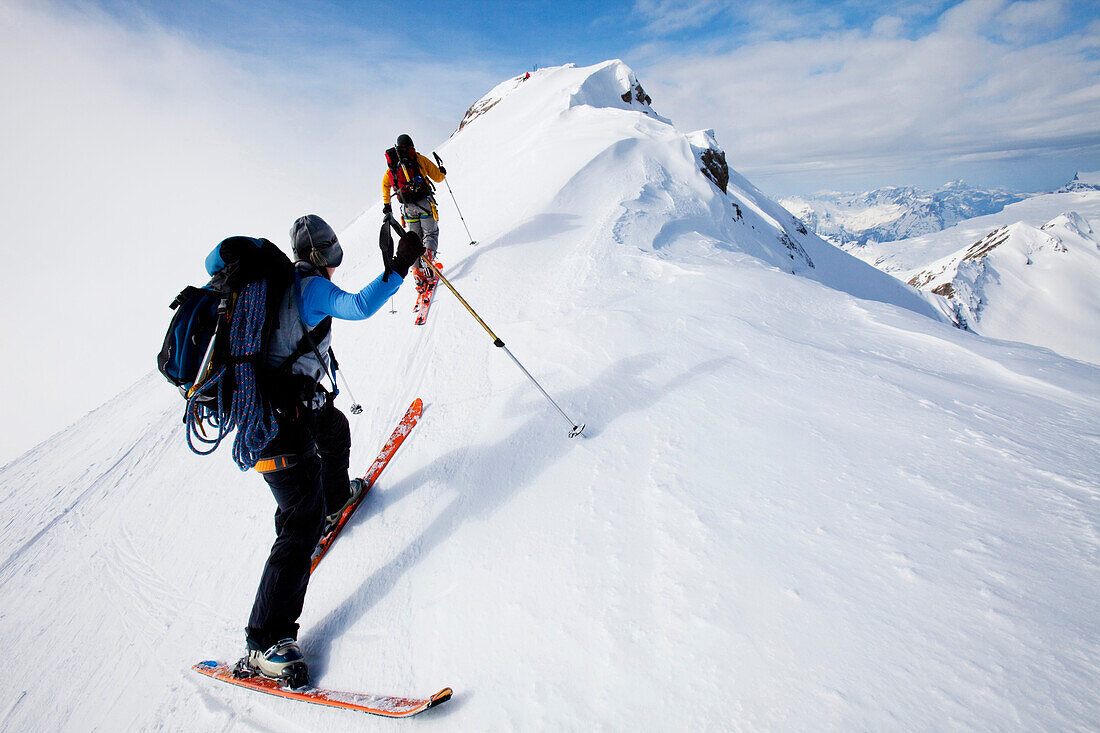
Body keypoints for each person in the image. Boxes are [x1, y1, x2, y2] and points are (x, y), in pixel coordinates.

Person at [206, 214, 425, 687]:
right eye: (332, 251)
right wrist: (400, 266)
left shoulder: (275, 289)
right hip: (277, 425)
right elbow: (361, 306)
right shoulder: (308, 288)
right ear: (322, 254)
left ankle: (334, 498)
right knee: (298, 522)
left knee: (334, 427)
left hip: (276, 409)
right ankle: (265, 639)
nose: (334, 260)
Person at [382, 134, 446, 291]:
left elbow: (385, 184)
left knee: (414, 240)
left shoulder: (393, 166)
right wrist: (442, 171)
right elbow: (438, 178)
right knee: (430, 234)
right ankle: (429, 264)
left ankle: (417, 273)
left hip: (407, 208)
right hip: (424, 203)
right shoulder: (418, 159)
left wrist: (387, 204)